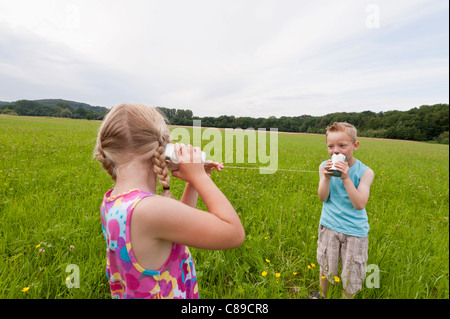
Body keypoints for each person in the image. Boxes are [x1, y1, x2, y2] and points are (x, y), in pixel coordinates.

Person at [94, 103, 245, 299]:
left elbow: (173, 227)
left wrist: (196, 181)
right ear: (163, 149)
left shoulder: (113, 202)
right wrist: (198, 177)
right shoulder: (150, 209)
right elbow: (233, 234)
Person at [315, 122, 374, 299]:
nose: (336, 151)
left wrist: (346, 178)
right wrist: (325, 178)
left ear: (355, 146)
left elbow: (360, 204)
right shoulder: (323, 166)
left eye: (342, 146)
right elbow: (323, 197)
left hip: (354, 232)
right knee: (326, 267)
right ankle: (323, 296)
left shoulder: (365, 172)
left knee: (352, 274)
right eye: (331, 146)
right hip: (329, 226)